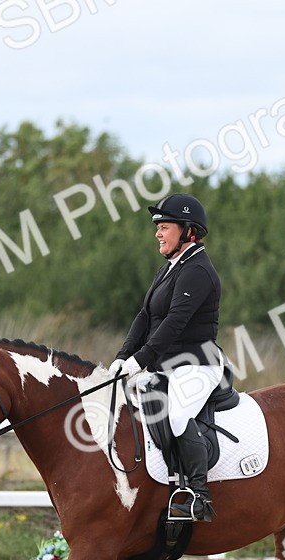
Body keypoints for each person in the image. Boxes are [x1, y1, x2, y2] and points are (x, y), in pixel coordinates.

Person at [108, 193, 224, 521]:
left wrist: (140, 360)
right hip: (166, 366)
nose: (158, 233)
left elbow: (174, 323)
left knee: (176, 416)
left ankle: (199, 497)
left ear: (189, 230)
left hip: (197, 365)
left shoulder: (198, 271)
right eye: (157, 227)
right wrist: (123, 356)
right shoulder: (169, 269)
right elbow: (144, 317)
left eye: (165, 226)